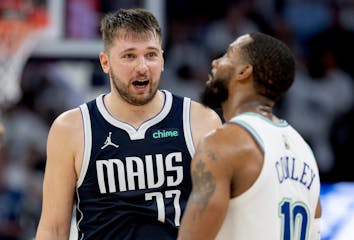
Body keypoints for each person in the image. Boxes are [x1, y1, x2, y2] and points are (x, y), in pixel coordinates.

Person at [35, 8, 222, 240]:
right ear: (105, 62)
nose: (142, 67)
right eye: (129, 56)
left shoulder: (201, 120)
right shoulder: (71, 128)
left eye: (151, 55)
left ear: (162, 59)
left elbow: (219, 216)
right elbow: (53, 228)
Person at [178, 32, 321, 240]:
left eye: (227, 55)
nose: (215, 62)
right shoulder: (306, 153)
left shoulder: (223, 143)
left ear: (244, 71)